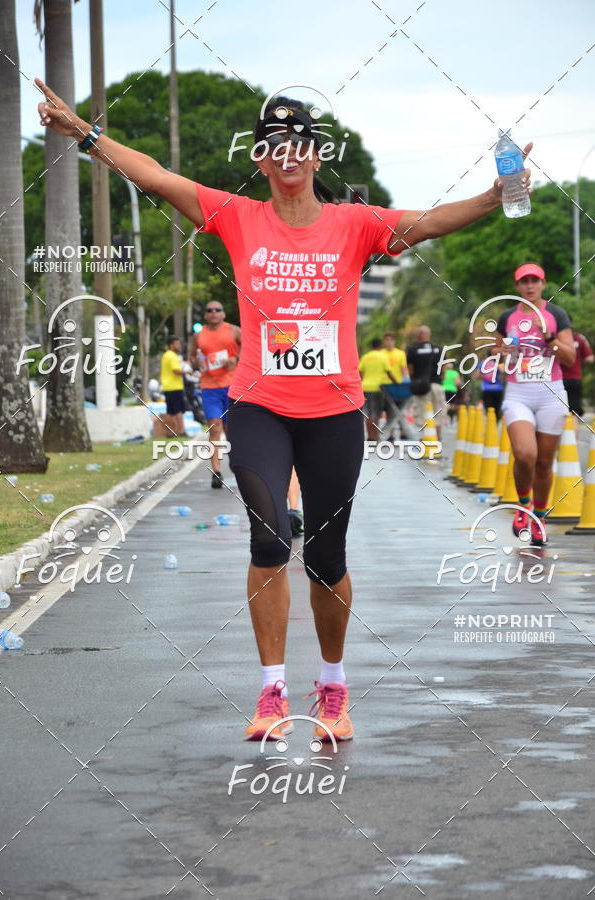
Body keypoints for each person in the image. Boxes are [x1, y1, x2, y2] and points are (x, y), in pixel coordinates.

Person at [37, 79, 533, 742]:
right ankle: (272, 691)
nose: (288, 153)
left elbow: (433, 222)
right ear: (262, 160)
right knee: (270, 538)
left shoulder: (356, 225)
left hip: (332, 413)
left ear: (316, 157)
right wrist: (86, 135)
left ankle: (332, 686)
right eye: (275, 145)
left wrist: (497, 195)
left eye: (299, 142)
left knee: (326, 556)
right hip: (258, 407)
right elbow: (156, 177)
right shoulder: (237, 217)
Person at [493, 263, 575, 545]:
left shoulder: (556, 315)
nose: (529, 286)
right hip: (518, 392)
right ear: (517, 286)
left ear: (543, 283)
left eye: (535, 281)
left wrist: (549, 337)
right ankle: (524, 505)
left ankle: (539, 518)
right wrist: (502, 351)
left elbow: (570, 357)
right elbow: (496, 350)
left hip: (551, 392)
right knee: (524, 454)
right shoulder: (508, 316)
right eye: (524, 281)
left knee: (543, 463)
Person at [190, 302, 241, 488]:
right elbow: (192, 357)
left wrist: (236, 358)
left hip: (232, 386)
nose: (213, 313)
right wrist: (198, 362)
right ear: (205, 315)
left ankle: (234, 463)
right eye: (209, 310)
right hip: (209, 386)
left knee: (231, 431)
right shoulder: (198, 335)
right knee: (214, 428)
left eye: (217, 310)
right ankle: (216, 472)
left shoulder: (234, 331)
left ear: (223, 314)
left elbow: (250, 350)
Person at [407, 326, 446, 439]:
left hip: (421, 386)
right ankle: (437, 438)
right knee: (437, 412)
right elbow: (444, 368)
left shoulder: (413, 350)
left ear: (418, 335)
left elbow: (410, 370)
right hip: (437, 385)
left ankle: (426, 438)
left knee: (423, 413)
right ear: (429, 335)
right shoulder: (439, 349)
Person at [359, 339, 396, 441]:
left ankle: (370, 437)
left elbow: (360, 373)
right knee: (376, 413)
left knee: (368, 413)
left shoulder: (366, 357)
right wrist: (396, 383)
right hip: (377, 388)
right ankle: (375, 436)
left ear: (372, 346)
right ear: (380, 347)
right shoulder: (383, 357)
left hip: (365, 387)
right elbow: (389, 372)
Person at [561, 314, 593, 427]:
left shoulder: (553, 338)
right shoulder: (579, 338)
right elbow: (590, 358)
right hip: (574, 379)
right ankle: (572, 442)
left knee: (555, 413)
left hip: (556, 380)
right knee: (573, 413)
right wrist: (578, 361)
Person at [381, 333, 411, 439]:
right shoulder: (381, 353)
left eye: (391, 340)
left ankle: (403, 431)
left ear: (394, 341)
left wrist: (406, 380)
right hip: (384, 385)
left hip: (397, 385)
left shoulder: (400, 354)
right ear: (384, 341)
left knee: (400, 409)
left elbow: (404, 368)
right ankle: (391, 434)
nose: (389, 342)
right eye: (387, 340)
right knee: (390, 410)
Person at [160, 336, 187, 436]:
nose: (179, 346)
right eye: (177, 344)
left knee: (170, 411)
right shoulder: (172, 356)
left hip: (167, 386)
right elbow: (176, 371)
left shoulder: (165, 355)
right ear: (171, 345)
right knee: (178, 410)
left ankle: (170, 432)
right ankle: (181, 431)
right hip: (175, 386)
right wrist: (188, 372)